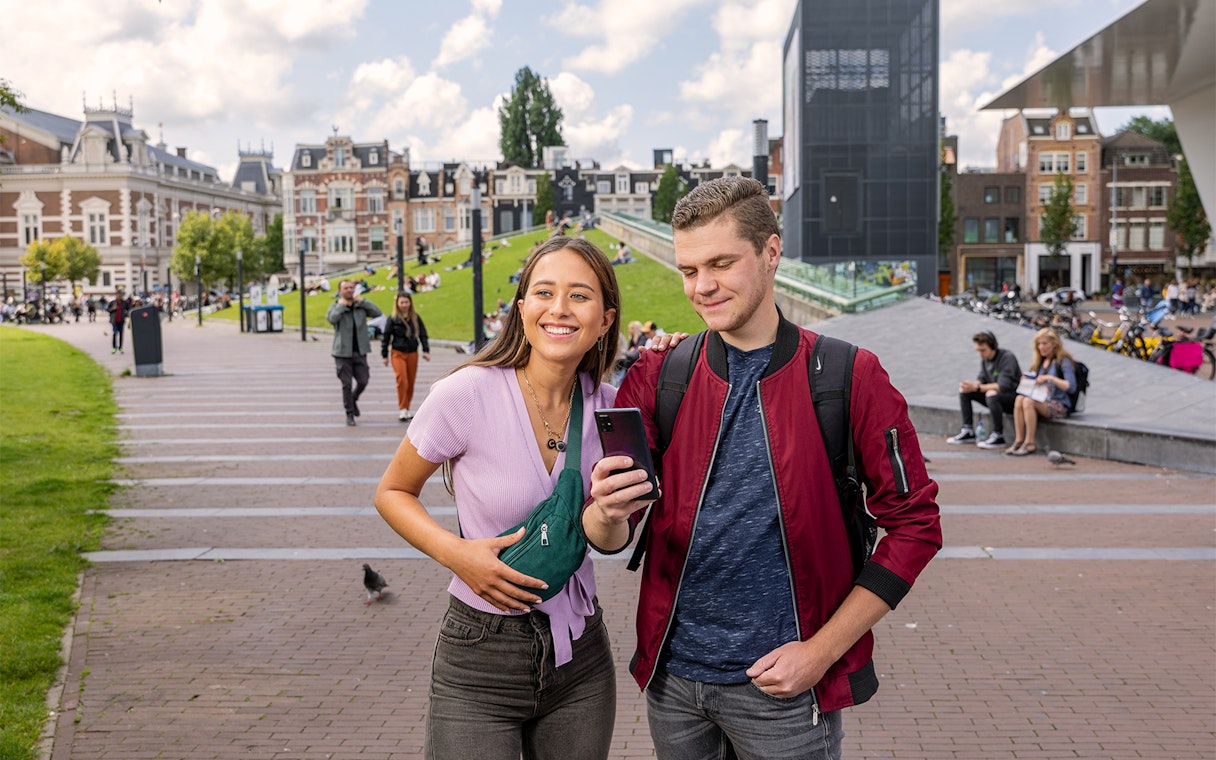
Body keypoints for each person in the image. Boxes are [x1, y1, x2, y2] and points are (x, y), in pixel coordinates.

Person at [583, 177, 942, 759]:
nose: (702, 287)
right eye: (688, 269)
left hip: (784, 691)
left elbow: (917, 526)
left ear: (771, 253)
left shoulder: (849, 375)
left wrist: (821, 653)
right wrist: (604, 511)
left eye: (721, 263)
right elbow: (610, 536)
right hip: (673, 684)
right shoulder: (659, 374)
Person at [373, 236, 624, 759]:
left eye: (580, 296)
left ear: (605, 319)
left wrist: (607, 514)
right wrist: (458, 555)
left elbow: (610, 539)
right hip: (478, 653)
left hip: (579, 656)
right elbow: (393, 492)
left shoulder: (611, 410)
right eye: (543, 292)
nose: (559, 309)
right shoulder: (465, 393)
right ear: (522, 307)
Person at [1007, 328, 1077, 457]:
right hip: (1043, 399)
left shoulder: (1063, 361)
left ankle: (1029, 443)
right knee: (1019, 399)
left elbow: (1071, 386)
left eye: (1045, 344)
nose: (1041, 347)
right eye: (1039, 344)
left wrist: (1050, 378)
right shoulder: (1041, 362)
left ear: (1054, 344)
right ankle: (1019, 440)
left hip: (1059, 404)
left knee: (1028, 401)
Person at [947, 330, 1022, 450]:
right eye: (978, 350)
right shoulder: (985, 360)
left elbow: (1002, 386)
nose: (980, 354)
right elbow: (981, 379)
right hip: (995, 396)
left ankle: (998, 435)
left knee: (992, 394)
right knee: (964, 392)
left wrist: (976, 387)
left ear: (993, 347)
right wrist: (970, 385)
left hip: (1014, 398)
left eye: (983, 350)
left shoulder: (1007, 357)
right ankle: (968, 430)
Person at [327, 280, 383, 426]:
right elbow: (332, 319)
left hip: (360, 350)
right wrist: (341, 305)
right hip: (342, 352)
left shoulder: (360, 306)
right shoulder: (335, 306)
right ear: (340, 291)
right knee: (346, 384)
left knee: (363, 380)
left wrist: (364, 301)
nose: (349, 290)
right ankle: (349, 413)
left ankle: (353, 398)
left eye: (351, 287)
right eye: (346, 288)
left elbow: (377, 313)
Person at [380, 292, 431, 422]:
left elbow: (423, 334)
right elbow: (386, 337)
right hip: (397, 352)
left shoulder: (415, 317)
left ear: (410, 303)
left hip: (412, 352)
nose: (404, 305)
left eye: (406, 302)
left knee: (410, 381)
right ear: (397, 304)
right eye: (401, 302)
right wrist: (384, 355)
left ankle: (407, 408)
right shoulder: (392, 319)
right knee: (402, 379)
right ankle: (402, 408)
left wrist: (426, 350)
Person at [107, 290, 131, 354]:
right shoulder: (112, 302)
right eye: (118, 295)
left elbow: (129, 309)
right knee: (115, 333)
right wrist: (113, 309)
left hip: (121, 320)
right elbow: (108, 310)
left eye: (120, 295)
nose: (119, 296)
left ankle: (120, 347)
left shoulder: (124, 303)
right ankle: (114, 347)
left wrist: (125, 314)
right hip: (114, 321)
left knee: (121, 334)